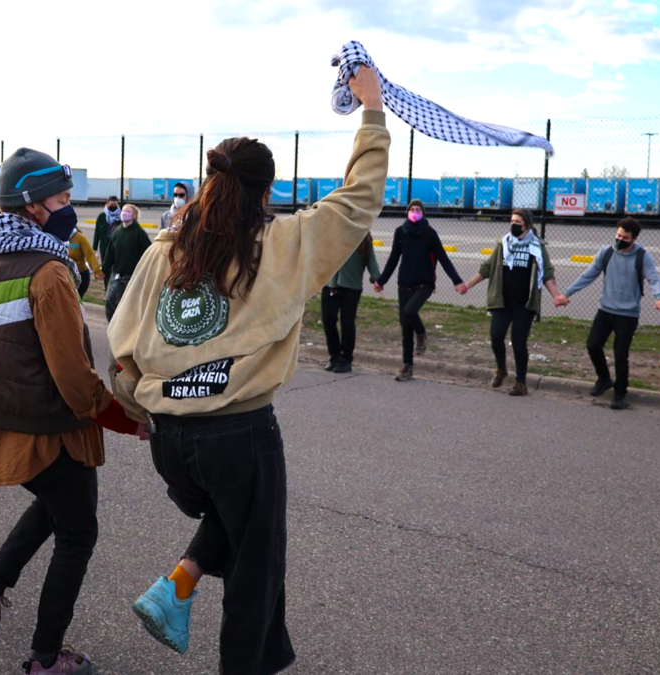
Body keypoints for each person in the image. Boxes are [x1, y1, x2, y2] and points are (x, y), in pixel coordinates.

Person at [108, 65, 388, 675]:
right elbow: (360, 198)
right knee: (256, 570)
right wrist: (371, 107)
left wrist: (141, 410)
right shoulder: (282, 244)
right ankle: (224, 638)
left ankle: (182, 587)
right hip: (237, 435)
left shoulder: (166, 250)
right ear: (266, 192)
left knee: (243, 532)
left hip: (169, 439)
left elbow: (121, 348)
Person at [0, 148, 143, 675]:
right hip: (47, 429)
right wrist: (129, 421)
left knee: (55, 502)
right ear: (32, 204)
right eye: (61, 199)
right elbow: (74, 377)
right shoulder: (48, 272)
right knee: (77, 533)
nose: (69, 209)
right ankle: (44, 657)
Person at [563, 217, 660, 410]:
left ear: (634, 239)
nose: (620, 239)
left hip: (628, 314)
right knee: (593, 345)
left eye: (625, 238)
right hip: (606, 310)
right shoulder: (606, 253)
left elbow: (654, 279)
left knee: (620, 354)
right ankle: (604, 379)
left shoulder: (642, 256)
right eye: (618, 235)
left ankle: (620, 393)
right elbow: (588, 275)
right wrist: (567, 293)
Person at [461, 208, 567, 396]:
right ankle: (501, 369)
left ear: (528, 225)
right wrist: (467, 285)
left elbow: (547, 274)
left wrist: (557, 295)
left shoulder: (537, 247)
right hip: (502, 301)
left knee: (518, 342)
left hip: (524, 305)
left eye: (518, 222)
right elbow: (486, 268)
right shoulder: (503, 243)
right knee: (496, 336)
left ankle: (520, 383)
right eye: (512, 221)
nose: (513, 225)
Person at [374, 199, 467, 382]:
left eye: (418, 209)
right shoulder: (401, 232)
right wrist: (381, 281)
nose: (415, 212)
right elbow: (393, 259)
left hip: (425, 283)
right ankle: (407, 367)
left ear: (423, 213)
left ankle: (421, 333)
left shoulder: (430, 233)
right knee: (405, 328)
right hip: (404, 283)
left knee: (410, 311)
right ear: (407, 212)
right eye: (412, 209)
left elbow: (443, 258)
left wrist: (456, 281)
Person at [322, 230, 381, 373]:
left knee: (347, 322)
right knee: (328, 319)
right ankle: (334, 356)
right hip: (330, 284)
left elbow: (371, 259)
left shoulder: (362, 235)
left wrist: (376, 278)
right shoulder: (333, 231)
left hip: (351, 286)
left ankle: (346, 358)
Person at [102, 203, 152, 322]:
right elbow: (110, 252)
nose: (124, 213)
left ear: (134, 216)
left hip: (132, 276)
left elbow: (148, 253)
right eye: (123, 211)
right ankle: (113, 327)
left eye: (128, 211)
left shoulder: (139, 233)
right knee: (110, 303)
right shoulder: (117, 232)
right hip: (117, 275)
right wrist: (105, 268)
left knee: (128, 306)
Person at [67, 226, 102, 299]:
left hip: (81, 275)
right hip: (64, 275)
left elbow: (90, 255)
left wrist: (97, 271)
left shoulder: (80, 238)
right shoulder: (58, 237)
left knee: (74, 300)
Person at [93, 195, 119, 263]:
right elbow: (97, 233)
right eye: (111, 204)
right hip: (104, 247)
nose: (113, 206)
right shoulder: (101, 217)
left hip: (117, 247)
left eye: (115, 205)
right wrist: (94, 248)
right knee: (105, 264)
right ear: (107, 204)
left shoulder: (121, 217)